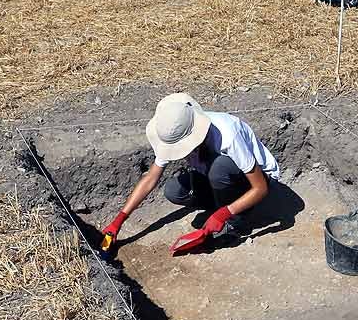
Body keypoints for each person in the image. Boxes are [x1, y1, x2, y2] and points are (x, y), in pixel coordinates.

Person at [101, 92, 281, 255]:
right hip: (217, 179)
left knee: (220, 168)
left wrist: (223, 214)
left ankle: (234, 223)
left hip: (257, 182)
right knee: (174, 190)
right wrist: (119, 220)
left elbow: (261, 188)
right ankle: (224, 206)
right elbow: (150, 178)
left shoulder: (227, 135)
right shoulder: (175, 130)